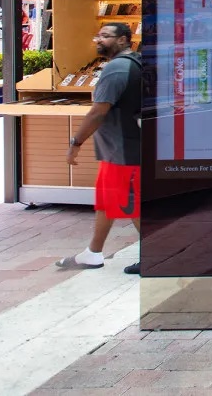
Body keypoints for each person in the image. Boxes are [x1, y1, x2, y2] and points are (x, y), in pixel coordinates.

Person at [58, 23, 143, 273]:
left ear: (123, 40)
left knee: (130, 203)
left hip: (123, 150)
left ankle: (154, 252)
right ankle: (93, 252)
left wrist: (75, 144)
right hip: (118, 148)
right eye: (99, 35)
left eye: (106, 36)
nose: (99, 39)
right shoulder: (134, 62)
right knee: (107, 201)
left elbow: (98, 111)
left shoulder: (116, 69)